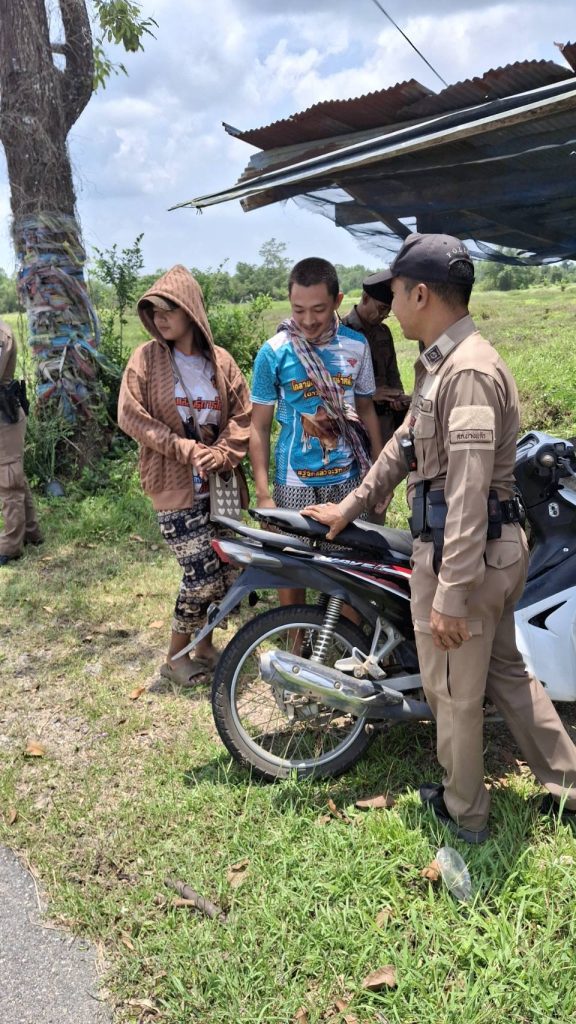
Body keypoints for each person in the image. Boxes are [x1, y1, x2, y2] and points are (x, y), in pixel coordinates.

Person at [302, 232, 576, 844]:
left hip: (465, 554)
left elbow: (469, 491)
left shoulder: (468, 372)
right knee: (506, 675)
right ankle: (569, 784)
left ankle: (465, 814)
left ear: (422, 294)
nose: (390, 306)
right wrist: (350, 505)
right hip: (485, 551)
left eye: (396, 293)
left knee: (452, 692)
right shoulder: (441, 366)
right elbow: (403, 448)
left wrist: (451, 591)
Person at [118, 265, 251, 687]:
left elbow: (243, 417)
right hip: (174, 487)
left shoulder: (220, 362)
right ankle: (175, 658)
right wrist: (185, 449)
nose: (160, 318)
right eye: (154, 311)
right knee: (201, 575)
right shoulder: (147, 359)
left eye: (169, 309)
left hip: (220, 487)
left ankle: (204, 646)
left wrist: (222, 453)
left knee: (227, 571)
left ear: (190, 309)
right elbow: (131, 416)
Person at [250, 256, 383, 606]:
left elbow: (366, 410)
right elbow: (259, 426)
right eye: (299, 310)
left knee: (350, 570)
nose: (308, 320)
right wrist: (263, 493)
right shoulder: (274, 353)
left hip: (348, 481)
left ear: (338, 301)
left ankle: (345, 633)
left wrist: (377, 475)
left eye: (319, 309)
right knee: (290, 567)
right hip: (293, 483)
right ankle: (295, 634)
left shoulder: (357, 346)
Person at [342, 272, 410, 447]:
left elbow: (393, 374)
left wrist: (398, 397)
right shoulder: (341, 333)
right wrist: (369, 395)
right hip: (356, 422)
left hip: (386, 422)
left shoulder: (384, 332)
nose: (384, 315)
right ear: (365, 298)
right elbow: (336, 386)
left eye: (388, 311)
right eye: (381, 308)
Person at [0, 319, 42, 565]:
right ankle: (31, 531)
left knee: (9, 478)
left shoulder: (1, 333)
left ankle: (11, 545)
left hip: (5, 416)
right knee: (13, 475)